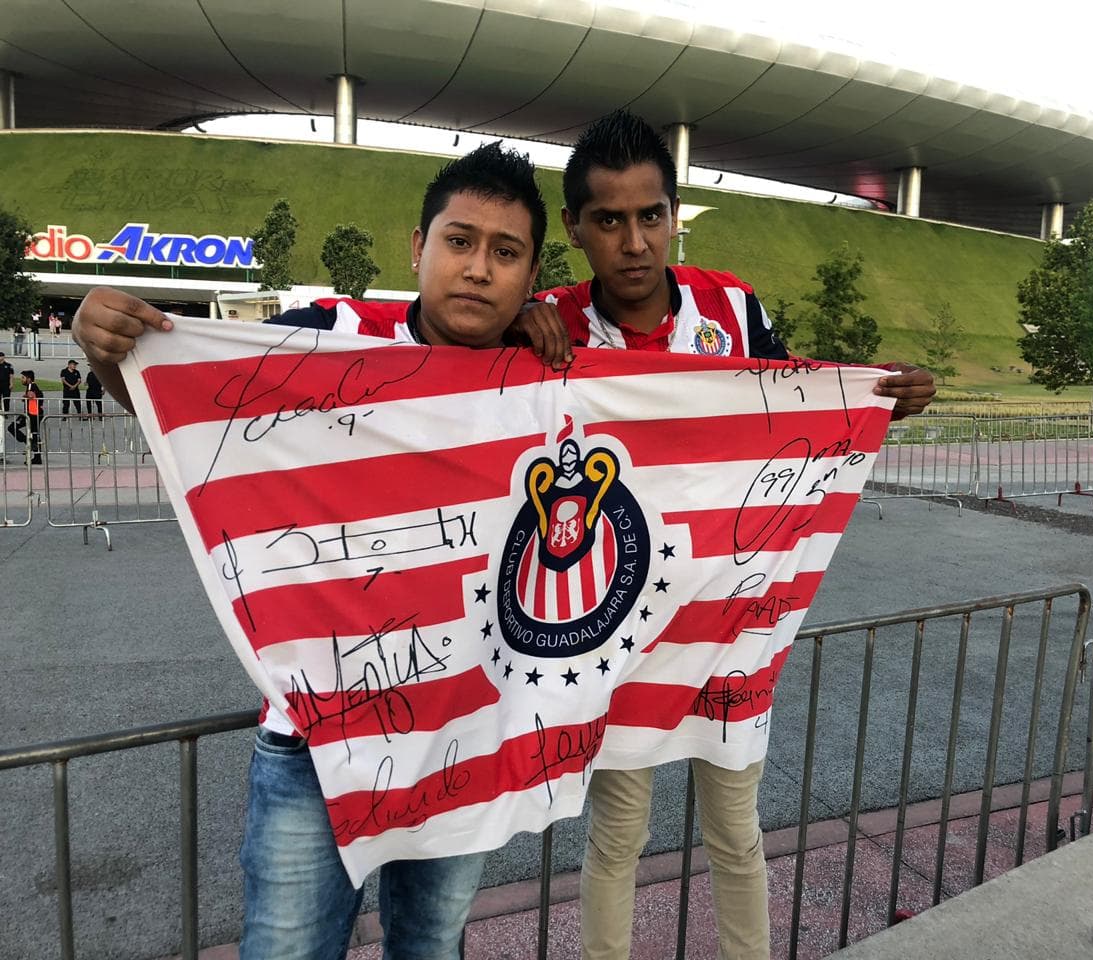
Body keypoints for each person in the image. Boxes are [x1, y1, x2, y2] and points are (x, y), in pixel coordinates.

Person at [73, 141, 555, 960]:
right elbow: (185, 404)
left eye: (505, 253)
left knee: (432, 946)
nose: (478, 269)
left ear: (531, 274)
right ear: (418, 245)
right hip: (315, 745)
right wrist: (107, 348)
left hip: (467, 738)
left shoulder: (545, 373)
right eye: (460, 240)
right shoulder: (331, 333)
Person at [530, 109, 935, 960]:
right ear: (574, 228)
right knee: (616, 842)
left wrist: (878, 393)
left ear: (676, 215)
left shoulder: (732, 309)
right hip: (619, 632)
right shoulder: (547, 324)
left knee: (737, 832)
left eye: (651, 216)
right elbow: (430, 368)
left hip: (729, 620)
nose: (634, 242)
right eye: (608, 220)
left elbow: (793, 406)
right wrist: (511, 340)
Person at [5, 370, 43, 464]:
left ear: (28, 379)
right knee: (34, 434)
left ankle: (28, 442)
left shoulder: (31, 385)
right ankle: (36, 455)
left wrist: (25, 396)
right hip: (32, 413)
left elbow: (31, 395)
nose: (21, 380)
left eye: (23, 378)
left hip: (33, 414)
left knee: (12, 427)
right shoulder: (32, 386)